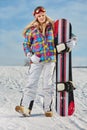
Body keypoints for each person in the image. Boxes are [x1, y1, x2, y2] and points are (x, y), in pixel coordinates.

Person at [15, 6, 77, 117]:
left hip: (50, 59)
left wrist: (73, 41)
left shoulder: (53, 26)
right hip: (37, 60)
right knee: (31, 83)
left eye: (43, 15)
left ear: (45, 15)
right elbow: (25, 44)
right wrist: (30, 55)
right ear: (35, 17)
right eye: (39, 16)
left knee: (47, 85)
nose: (41, 17)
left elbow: (68, 33)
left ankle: (48, 108)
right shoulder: (31, 30)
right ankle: (25, 108)